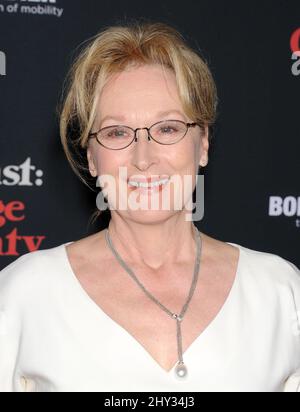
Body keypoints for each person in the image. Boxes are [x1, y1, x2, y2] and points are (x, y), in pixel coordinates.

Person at [0, 21, 299, 393]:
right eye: (116, 133)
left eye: (168, 128)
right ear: (91, 157)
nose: (144, 157)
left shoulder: (280, 292)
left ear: (202, 142)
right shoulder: (23, 292)